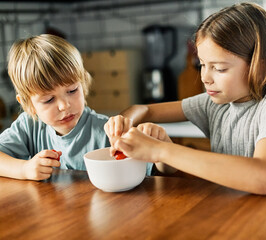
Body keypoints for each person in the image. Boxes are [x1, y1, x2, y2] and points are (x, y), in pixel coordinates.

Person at [105, 2, 266, 195]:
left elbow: (263, 177)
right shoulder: (214, 104)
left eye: (219, 68)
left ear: (260, 68)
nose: (205, 77)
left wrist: (161, 150)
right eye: (203, 65)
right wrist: (123, 122)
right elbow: (145, 110)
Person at [0, 34, 159, 181]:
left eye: (72, 91)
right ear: (28, 105)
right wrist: (23, 169)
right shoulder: (28, 126)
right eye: (48, 100)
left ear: (82, 84)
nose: (64, 106)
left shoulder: (106, 133)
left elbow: (154, 170)